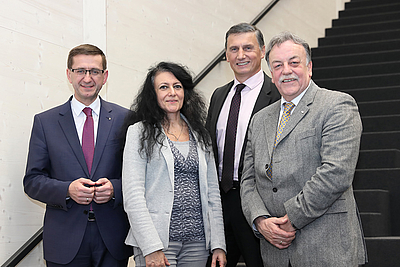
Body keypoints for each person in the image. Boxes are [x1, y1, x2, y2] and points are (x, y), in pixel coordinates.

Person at [240, 31, 368, 266]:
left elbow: (335, 173)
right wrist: (260, 220)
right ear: (271, 73)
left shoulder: (337, 105)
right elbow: (248, 180)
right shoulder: (259, 120)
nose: (286, 70)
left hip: (326, 248)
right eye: (277, 65)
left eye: (294, 62)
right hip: (275, 252)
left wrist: (289, 220)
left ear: (309, 67)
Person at [23, 44, 132, 266]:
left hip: (112, 239)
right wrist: (67, 190)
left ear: (105, 76)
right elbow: (32, 181)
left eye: (94, 71)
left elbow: (140, 176)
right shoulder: (45, 122)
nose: (87, 78)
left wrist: (115, 189)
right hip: (64, 240)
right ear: (69, 75)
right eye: (80, 70)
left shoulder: (127, 119)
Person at [122, 62, 226, 267]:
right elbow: (133, 196)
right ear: (153, 94)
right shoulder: (139, 132)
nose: (172, 93)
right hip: (158, 242)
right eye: (163, 87)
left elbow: (213, 193)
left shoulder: (201, 134)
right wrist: (150, 247)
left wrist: (219, 244)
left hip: (197, 242)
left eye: (177, 86)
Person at [205, 23, 280, 267]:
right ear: (226, 55)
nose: (240, 55)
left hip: (259, 203)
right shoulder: (218, 95)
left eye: (248, 48)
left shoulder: (278, 95)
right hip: (219, 204)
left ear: (262, 51)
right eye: (233, 49)